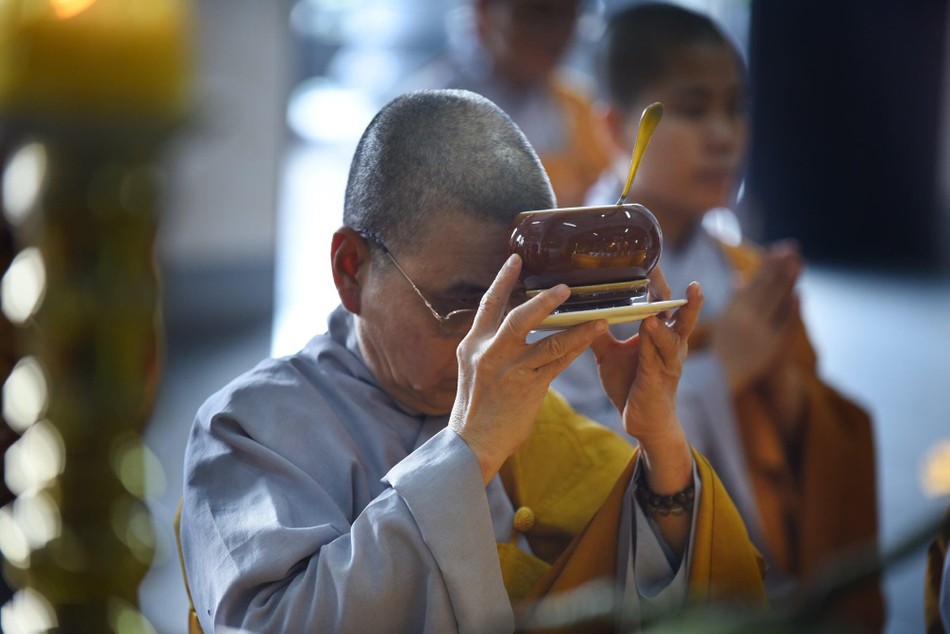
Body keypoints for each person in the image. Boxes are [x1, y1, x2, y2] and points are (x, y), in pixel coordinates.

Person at [179, 89, 766, 633]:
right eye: (462, 307)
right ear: (351, 269)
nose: (488, 350)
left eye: (521, 310)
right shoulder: (249, 429)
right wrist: (467, 452)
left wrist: (660, 442)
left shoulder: (543, 418)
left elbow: (682, 610)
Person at [551, 3, 884, 628]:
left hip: (771, 580)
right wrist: (722, 370)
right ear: (613, 128)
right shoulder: (572, 277)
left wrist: (786, 389)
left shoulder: (749, 274)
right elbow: (567, 468)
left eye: (736, 108)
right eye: (693, 108)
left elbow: (812, 449)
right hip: (642, 592)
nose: (724, 134)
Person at [403, 0, 611, 207]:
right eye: (536, 14)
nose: (556, 34)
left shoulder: (577, 106)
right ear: (483, 10)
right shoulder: (428, 111)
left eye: (569, 16)